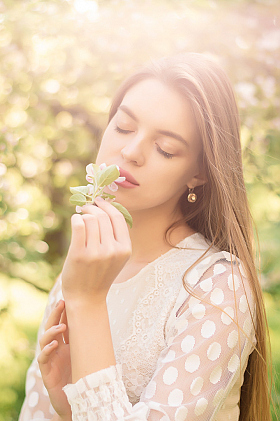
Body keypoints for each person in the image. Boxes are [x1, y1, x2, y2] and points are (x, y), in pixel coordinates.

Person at [19, 53, 272, 421]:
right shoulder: (83, 267)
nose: (131, 152)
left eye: (165, 148)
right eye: (123, 127)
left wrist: (87, 302)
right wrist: (67, 412)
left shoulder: (217, 287)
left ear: (198, 173)